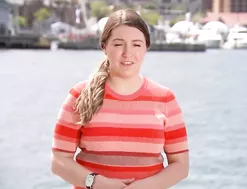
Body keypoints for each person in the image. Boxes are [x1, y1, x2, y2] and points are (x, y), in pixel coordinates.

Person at [51, 9, 189, 189]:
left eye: (136, 45)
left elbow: (181, 165)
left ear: (146, 47)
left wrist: (144, 187)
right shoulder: (79, 95)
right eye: (118, 44)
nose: (127, 53)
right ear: (104, 46)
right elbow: (58, 160)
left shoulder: (165, 99)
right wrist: (95, 182)